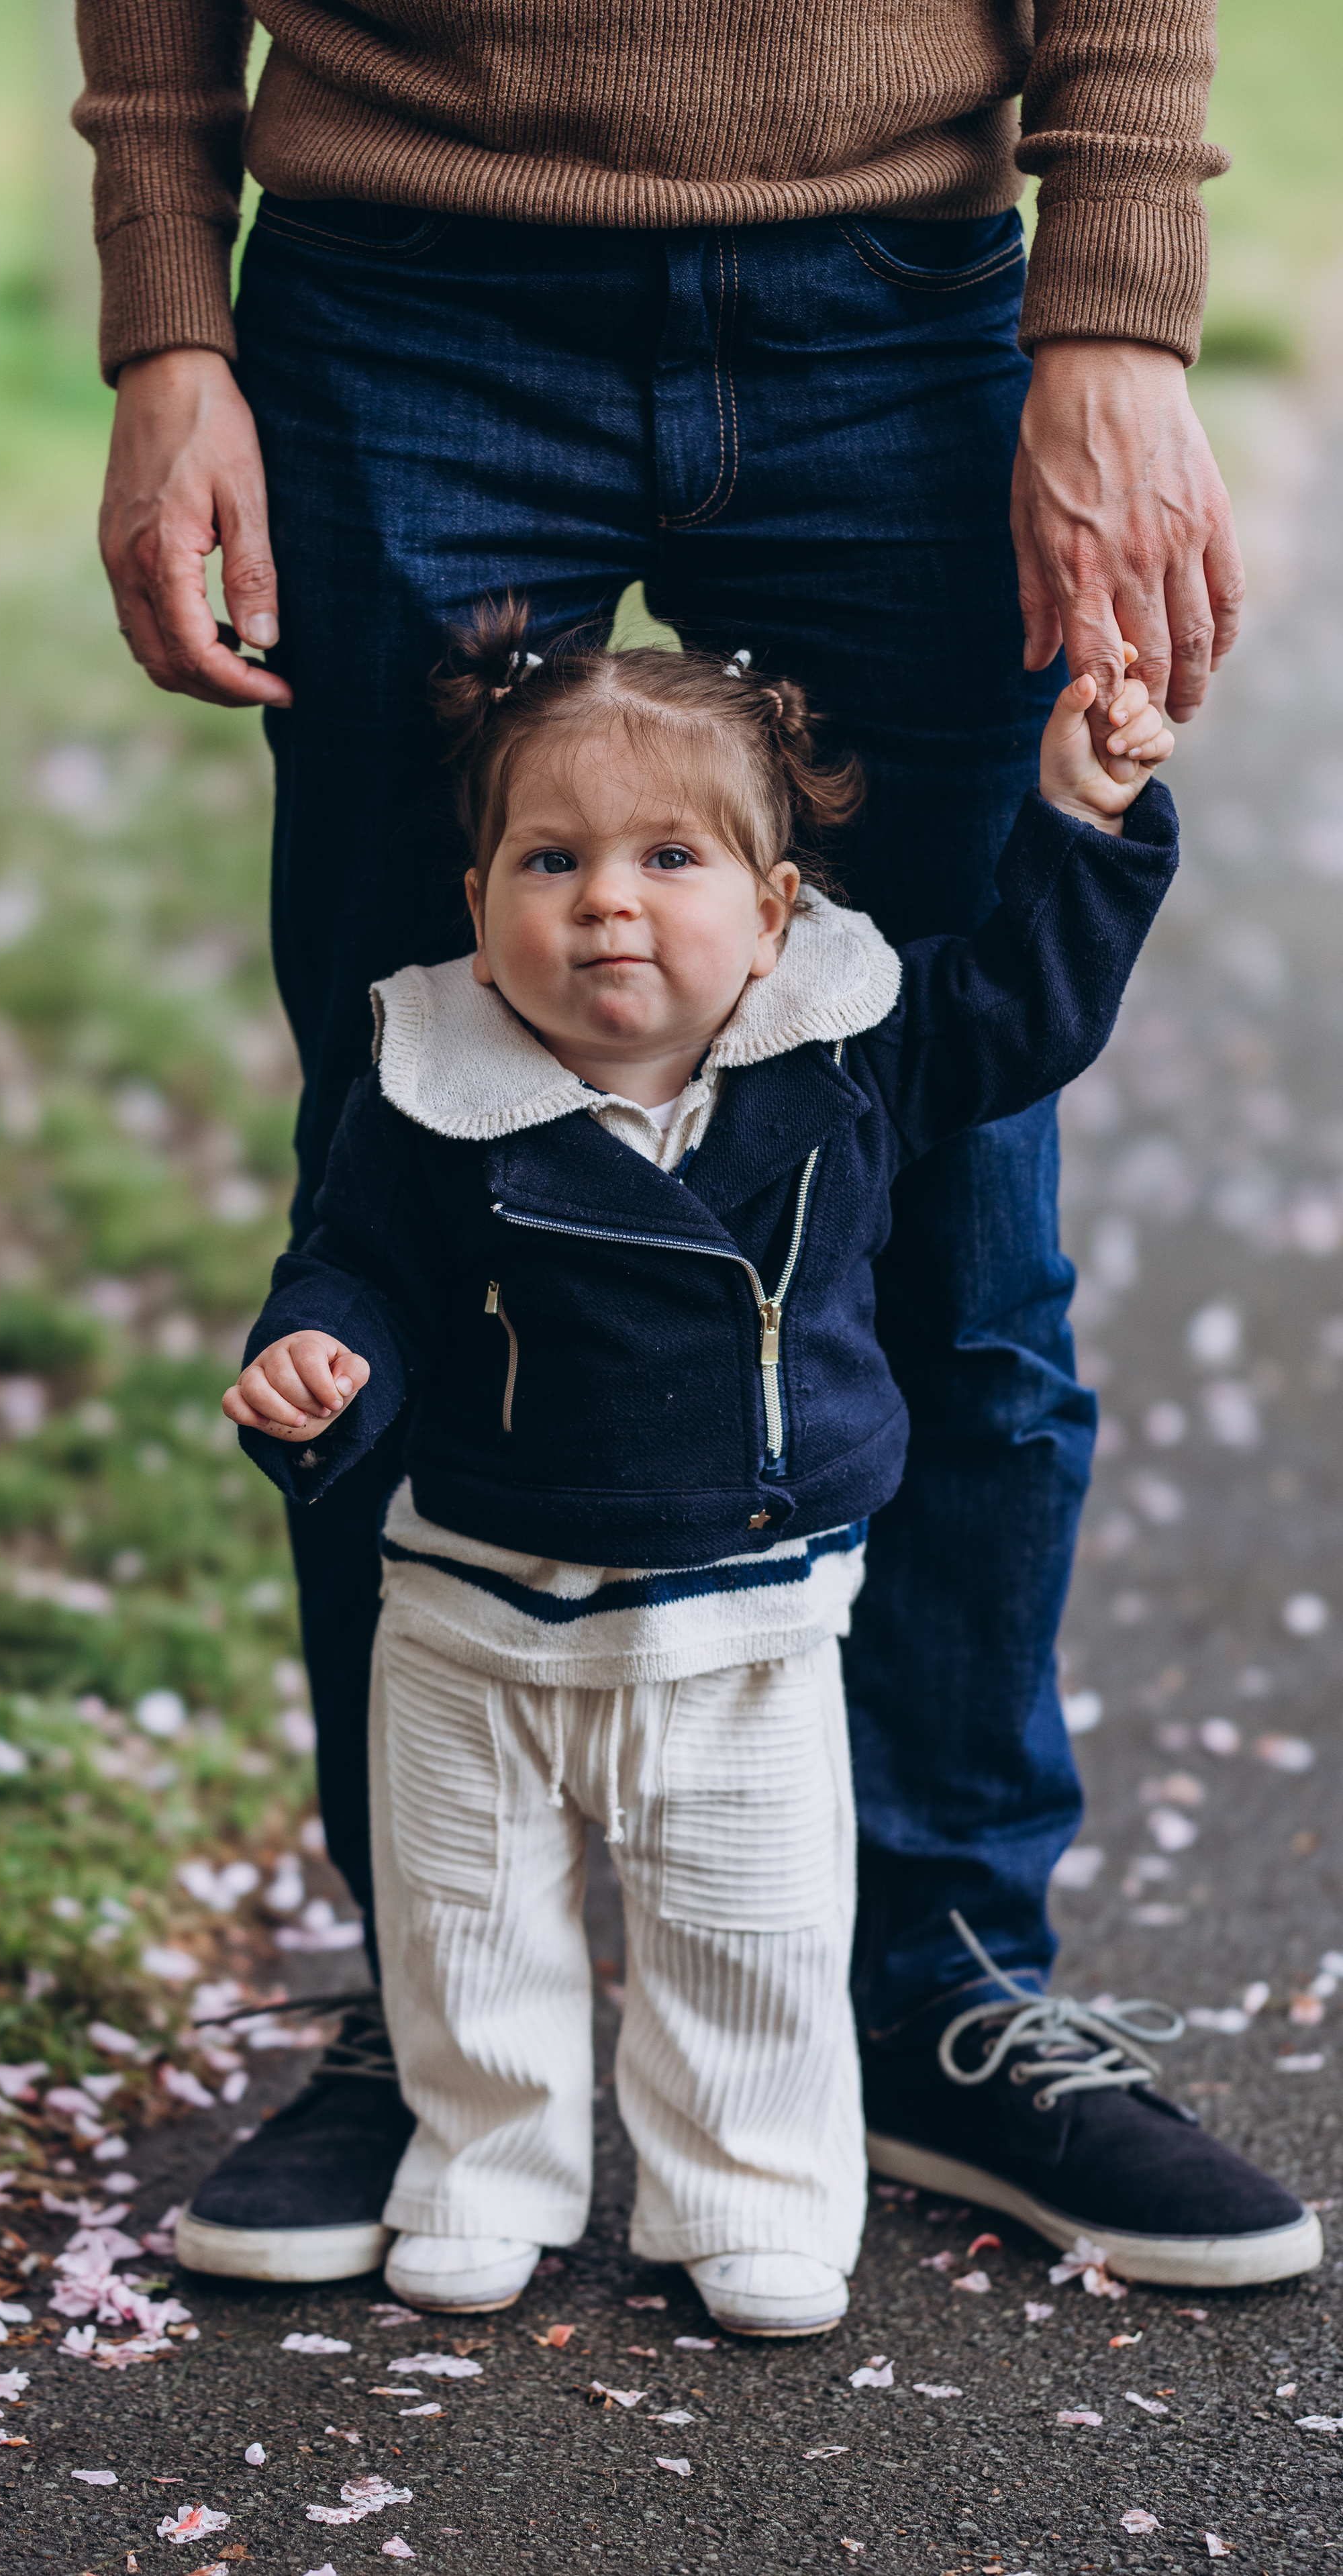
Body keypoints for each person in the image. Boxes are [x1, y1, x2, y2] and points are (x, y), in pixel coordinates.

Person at [74, 0, 1317, 2294]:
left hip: (894, 302)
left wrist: (1115, 297)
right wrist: (171, 306)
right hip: (398, 299)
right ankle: (444, 2025)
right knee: (410, 1199)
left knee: (953, 1222)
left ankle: (938, 1991)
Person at [217, 602, 1228, 2334]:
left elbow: (1017, 1012)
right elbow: (354, 1261)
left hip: (741, 1617)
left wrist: (1083, 822)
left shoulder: (841, 1064)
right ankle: (482, 2167)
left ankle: (751, 2193)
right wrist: (325, 1358)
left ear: (770, 918)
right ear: (477, 911)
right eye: (551, 859)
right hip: (475, 1608)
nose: (606, 897)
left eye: (668, 855)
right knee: (470, 1927)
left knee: (748, 1931)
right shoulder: (431, 1087)